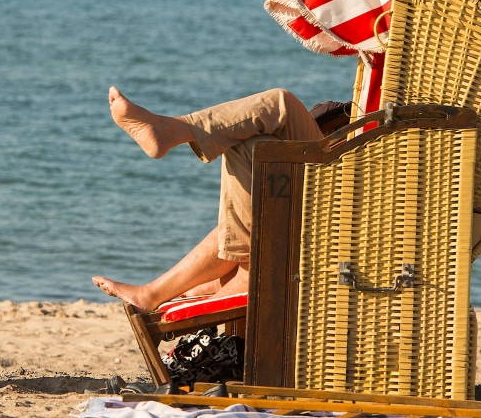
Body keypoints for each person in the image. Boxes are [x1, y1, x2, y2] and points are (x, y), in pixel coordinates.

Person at [92, 87, 351, 312]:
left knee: (281, 103)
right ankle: (155, 293)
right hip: (337, 184)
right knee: (250, 144)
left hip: (347, 195)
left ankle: (170, 130)